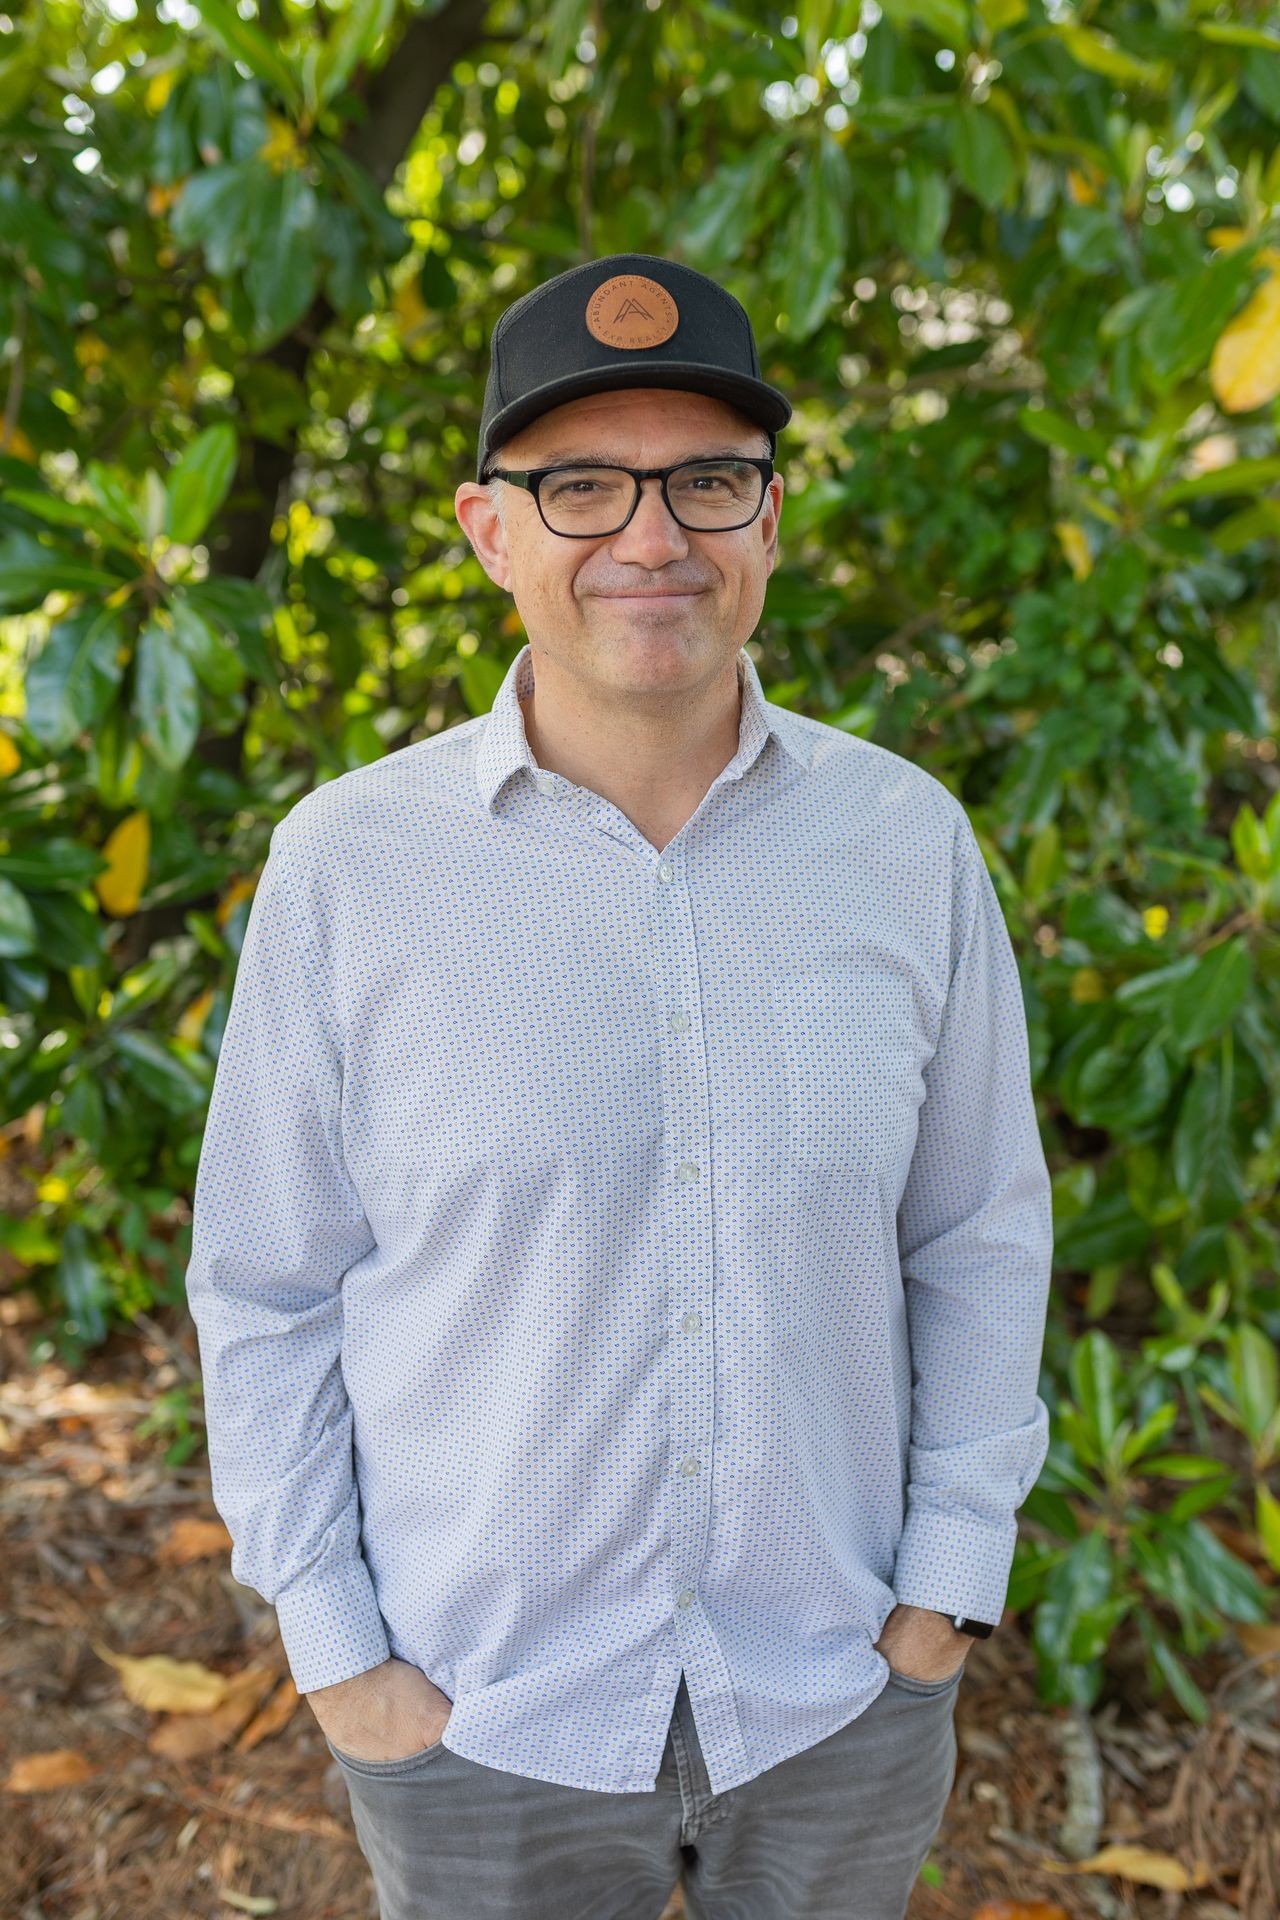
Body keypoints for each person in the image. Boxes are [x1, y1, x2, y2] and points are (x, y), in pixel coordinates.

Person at [185, 251, 1053, 1920]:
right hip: (476, 1715)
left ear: (772, 519)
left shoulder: (905, 846)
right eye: (581, 485)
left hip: (834, 1699)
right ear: (488, 529)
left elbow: (979, 1237)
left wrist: (941, 1599)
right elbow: (268, 1286)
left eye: (705, 481)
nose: (651, 537)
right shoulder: (351, 867)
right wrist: (346, 1657)